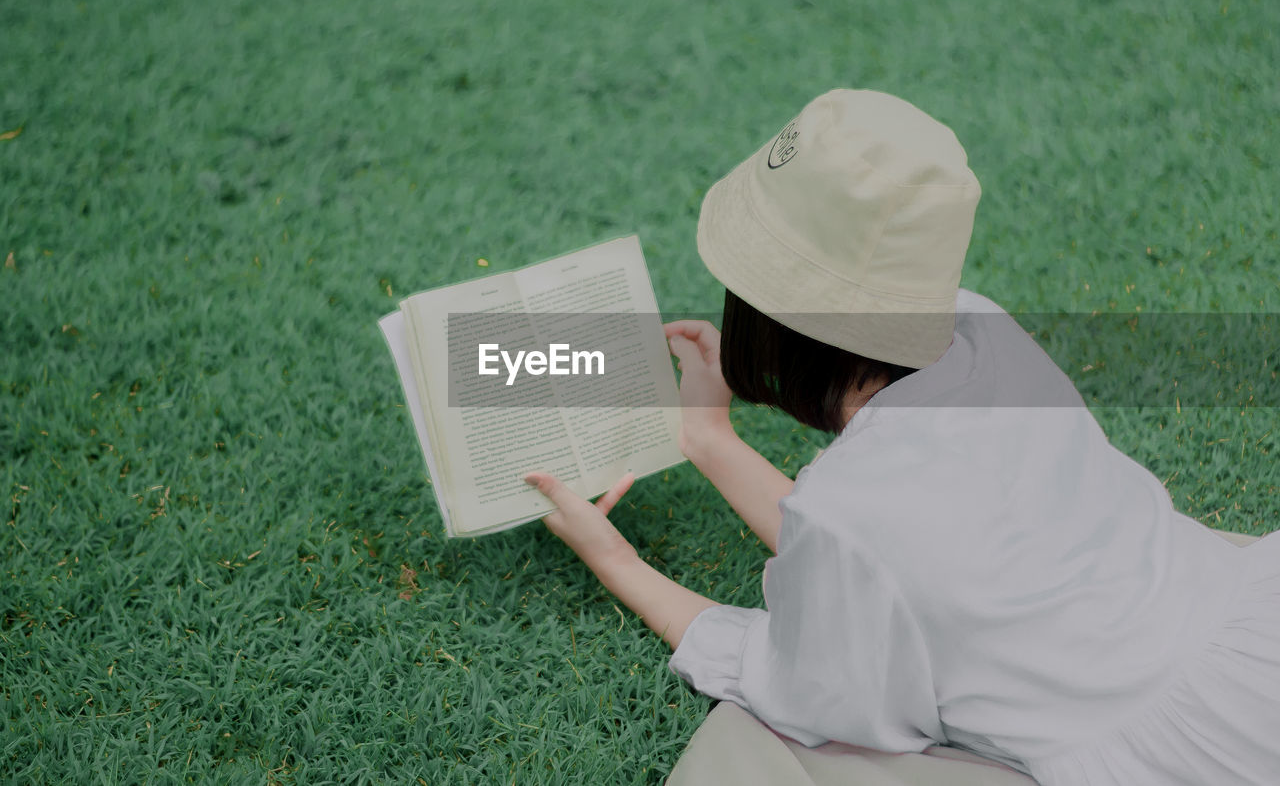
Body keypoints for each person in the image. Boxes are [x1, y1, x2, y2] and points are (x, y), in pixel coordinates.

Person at [523, 89, 1279, 785]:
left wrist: (612, 557)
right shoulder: (984, 326)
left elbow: (796, 677)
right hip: (1233, 632)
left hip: (1174, 754)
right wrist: (708, 437)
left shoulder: (852, 512)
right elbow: (883, 555)